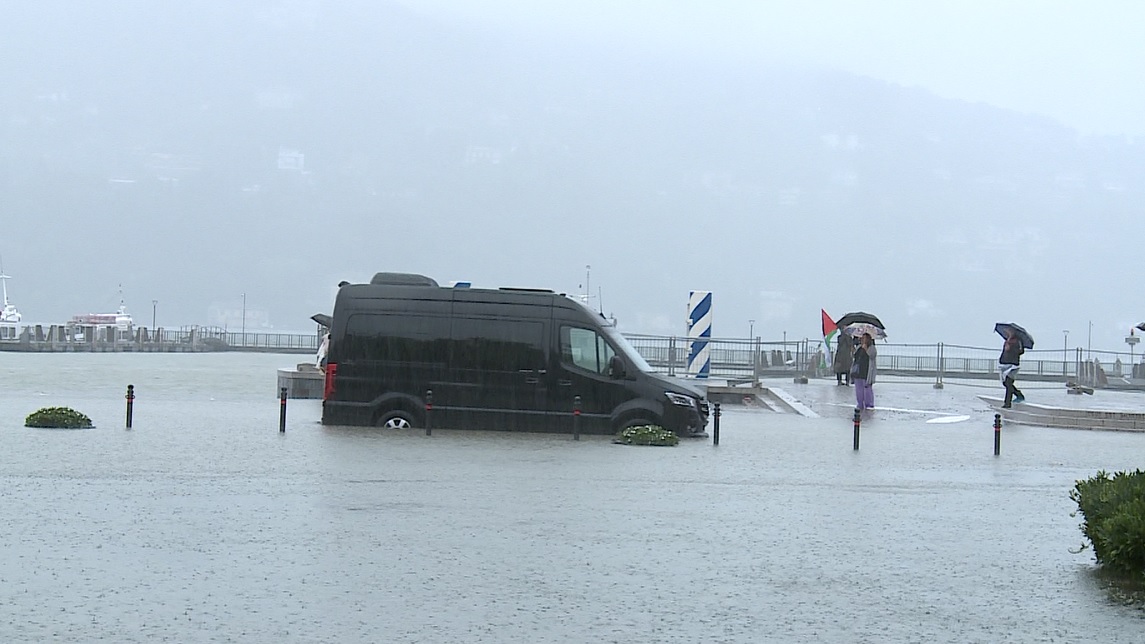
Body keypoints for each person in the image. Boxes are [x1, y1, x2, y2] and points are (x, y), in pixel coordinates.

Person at [999, 331, 1025, 408]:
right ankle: (1018, 394)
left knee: (1008, 383)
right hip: (1005, 364)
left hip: (1013, 365)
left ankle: (1007, 403)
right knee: (1005, 383)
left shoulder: (1018, 341)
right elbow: (1004, 352)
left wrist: (1010, 348)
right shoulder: (1007, 341)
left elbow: (1020, 351)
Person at [853, 333, 876, 409]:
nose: (863, 340)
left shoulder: (872, 347)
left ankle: (869, 404)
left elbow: (872, 355)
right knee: (858, 389)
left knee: (867, 388)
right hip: (858, 371)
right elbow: (855, 357)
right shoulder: (859, 347)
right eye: (862, 338)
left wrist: (866, 349)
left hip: (867, 371)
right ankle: (860, 403)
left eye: (864, 338)